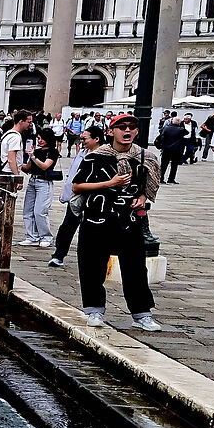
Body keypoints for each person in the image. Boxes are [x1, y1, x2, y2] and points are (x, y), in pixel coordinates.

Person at [69, 114, 160, 330]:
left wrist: (143, 199)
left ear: (136, 131)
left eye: (131, 127)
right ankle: (94, 310)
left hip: (129, 220)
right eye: (121, 127)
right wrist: (110, 183)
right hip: (97, 218)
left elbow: (148, 187)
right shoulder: (97, 157)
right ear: (111, 132)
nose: (126, 131)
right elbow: (77, 186)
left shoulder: (144, 158)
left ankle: (141, 314)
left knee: (136, 268)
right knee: (92, 265)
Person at [47, 127, 108, 267]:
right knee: (67, 226)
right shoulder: (82, 152)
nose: (82, 141)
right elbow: (74, 172)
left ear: (96, 139)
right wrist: (66, 191)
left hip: (95, 197)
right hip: (76, 194)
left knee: (91, 229)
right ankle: (58, 255)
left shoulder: (105, 155)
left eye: (85, 139)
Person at [22, 123, 61, 247]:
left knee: (40, 211)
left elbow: (45, 166)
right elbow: (27, 168)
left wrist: (33, 157)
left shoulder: (53, 152)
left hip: (44, 182)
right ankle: (31, 235)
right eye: (38, 138)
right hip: (33, 181)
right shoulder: (36, 151)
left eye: (42, 138)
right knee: (28, 210)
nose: (40, 141)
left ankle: (46, 236)